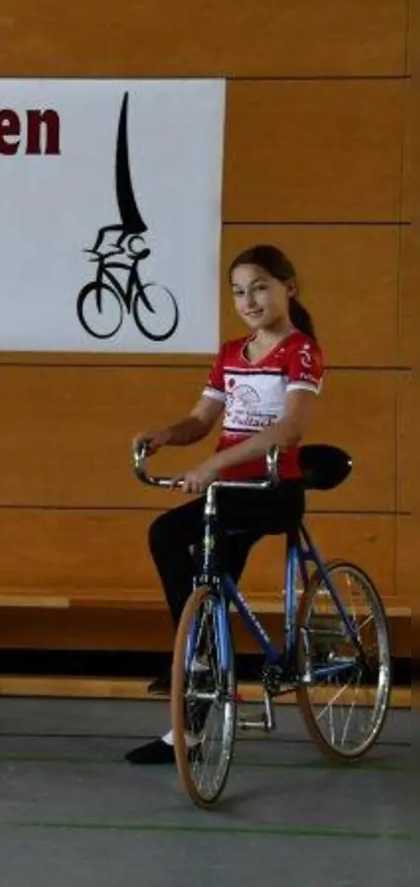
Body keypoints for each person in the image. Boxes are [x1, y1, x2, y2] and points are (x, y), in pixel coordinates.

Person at [124, 245, 323, 765]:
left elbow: (291, 427)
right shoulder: (232, 353)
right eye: (239, 291)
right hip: (226, 494)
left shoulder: (299, 350)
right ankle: (191, 704)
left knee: (190, 556)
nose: (249, 300)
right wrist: (167, 435)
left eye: (260, 287)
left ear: (288, 288)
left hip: (271, 492)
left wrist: (214, 465)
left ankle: (195, 659)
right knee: (173, 544)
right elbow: (201, 421)